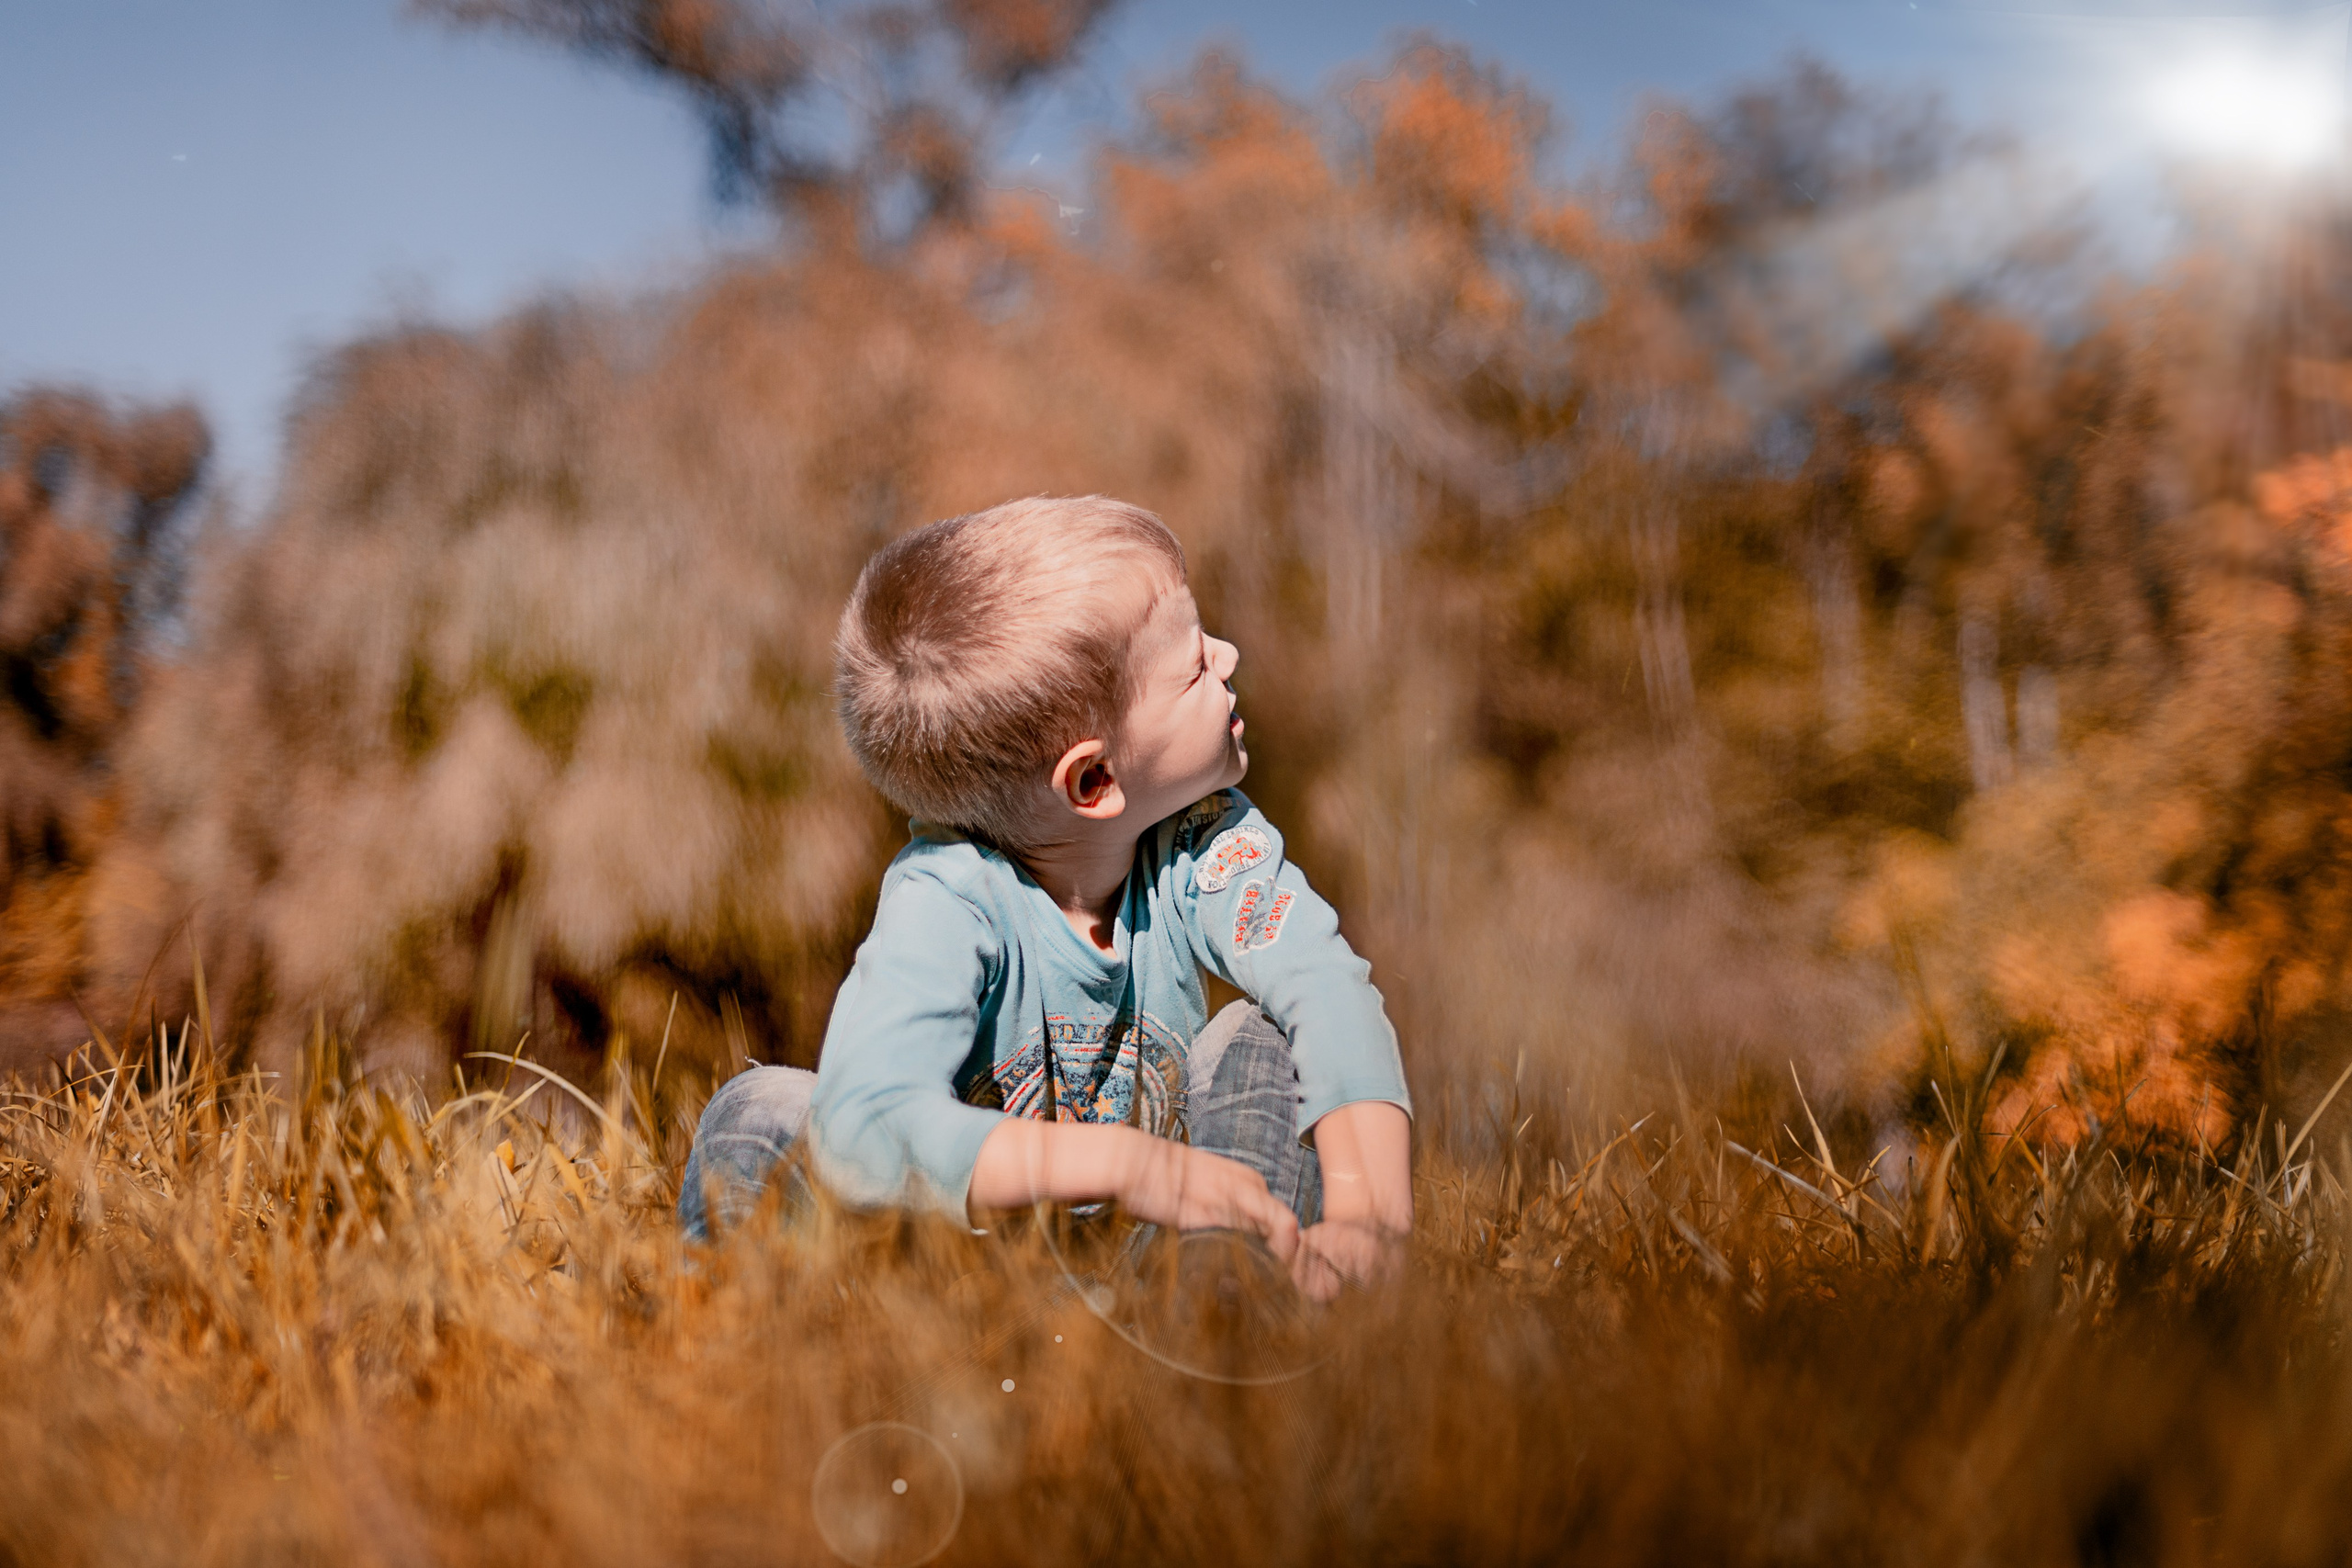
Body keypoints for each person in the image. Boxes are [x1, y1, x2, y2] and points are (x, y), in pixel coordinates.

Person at [676, 495, 1412, 1296]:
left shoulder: (1205, 839)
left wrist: (1367, 1216)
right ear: (1094, 780)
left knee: (1260, 1037)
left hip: (1152, 1270)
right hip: (951, 1280)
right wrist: (1128, 1165)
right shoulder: (947, 898)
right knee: (759, 1110)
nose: (1230, 656)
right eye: (1196, 665)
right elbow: (864, 1128)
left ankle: (1228, 1311)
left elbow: (1324, 985)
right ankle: (734, 1339)